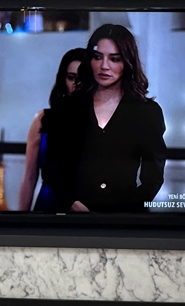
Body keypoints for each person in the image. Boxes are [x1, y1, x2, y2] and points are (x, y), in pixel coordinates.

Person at [68, 24, 166, 213]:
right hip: (75, 215)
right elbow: (57, 165)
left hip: (125, 219)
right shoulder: (72, 107)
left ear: (127, 62)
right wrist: (72, 202)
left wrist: (124, 213)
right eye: (98, 57)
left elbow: (153, 177)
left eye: (114, 59)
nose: (104, 66)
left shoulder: (146, 112)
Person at [17, 47, 88, 212]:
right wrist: (19, 220)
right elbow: (29, 178)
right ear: (63, 79)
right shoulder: (43, 119)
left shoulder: (100, 121)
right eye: (71, 78)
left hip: (84, 207)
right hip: (48, 205)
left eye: (82, 79)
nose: (76, 84)